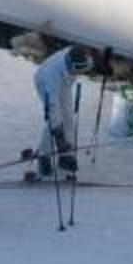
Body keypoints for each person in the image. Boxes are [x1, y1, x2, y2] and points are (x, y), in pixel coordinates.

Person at [30, 44, 93, 176]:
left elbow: (90, 63)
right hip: (44, 83)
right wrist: (59, 136)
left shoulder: (79, 57)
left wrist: (103, 65)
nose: (80, 73)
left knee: (68, 117)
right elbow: (53, 107)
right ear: (71, 65)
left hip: (64, 83)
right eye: (78, 70)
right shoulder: (51, 76)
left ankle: (66, 156)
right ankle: (44, 155)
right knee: (55, 120)